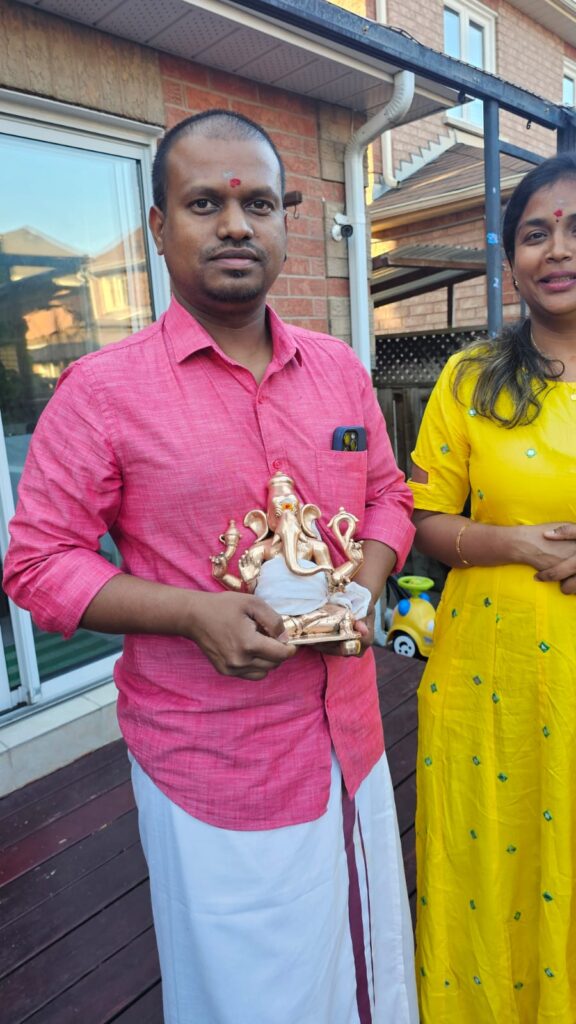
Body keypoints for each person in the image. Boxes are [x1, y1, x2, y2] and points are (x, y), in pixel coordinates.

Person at [3, 109, 419, 1024]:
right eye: (205, 204)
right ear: (159, 227)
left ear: (284, 224)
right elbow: (37, 565)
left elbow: (389, 495)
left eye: (258, 204)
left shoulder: (340, 371)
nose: (236, 224)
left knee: (367, 961)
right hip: (217, 762)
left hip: (352, 739)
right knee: (256, 993)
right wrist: (193, 614)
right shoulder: (101, 393)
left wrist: (366, 580)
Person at [409, 153, 576, 1023]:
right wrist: (509, 542)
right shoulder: (471, 378)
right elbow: (424, 516)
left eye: (575, 230)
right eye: (535, 234)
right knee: (493, 858)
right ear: (511, 262)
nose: (558, 250)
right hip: (488, 676)